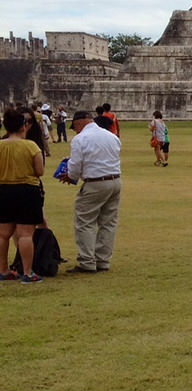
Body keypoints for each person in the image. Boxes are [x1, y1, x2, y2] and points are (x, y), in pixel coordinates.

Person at [57, 110, 122, 273]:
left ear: (79, 123)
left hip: (95, 182)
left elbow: (75, 165)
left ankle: (87, 261)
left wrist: (70, 177)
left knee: (85, 222)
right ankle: (103, 260)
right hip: (115, 180)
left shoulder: (80, 139)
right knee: (109, 222)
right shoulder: (111, 136)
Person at [0, 107, 46, 283]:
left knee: (3, 234)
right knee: (26, 234)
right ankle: (28, 272)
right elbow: (39, 171)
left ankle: (3, 270)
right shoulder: (31, 146)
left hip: (3, 190)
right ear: (23, 127)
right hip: (27, 190)